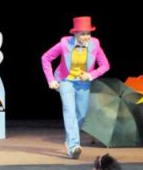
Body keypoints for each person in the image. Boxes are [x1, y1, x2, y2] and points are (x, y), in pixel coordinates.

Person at [41, 16, 110, 158]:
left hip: (83, 83)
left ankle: (69, 138)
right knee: (69, 110)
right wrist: (51, 79)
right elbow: (45, 58)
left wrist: (90, 75)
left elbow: (105, 65)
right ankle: (73, 146)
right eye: (83, 34)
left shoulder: (95, 44)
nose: (86, 37)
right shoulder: (64, 43)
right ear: (75, 33)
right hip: (65, 80)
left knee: (82, 114)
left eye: (88, 33)